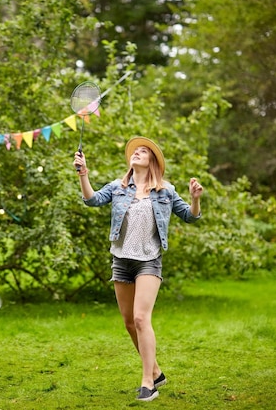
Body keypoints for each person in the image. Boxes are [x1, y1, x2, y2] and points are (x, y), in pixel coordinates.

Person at [73, 136, 203, 402]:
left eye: (143, 152)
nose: (137, 153)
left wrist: (195, 199)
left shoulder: (166, 190)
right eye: (135, 151)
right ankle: (155, 371)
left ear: (152, 161)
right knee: (129, 322)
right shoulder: (117, 187)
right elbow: (92, 200)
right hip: (121, 259)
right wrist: (83, 174)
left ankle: (148, 382)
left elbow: (190, 216)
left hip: (148, 259)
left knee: (142, 319)